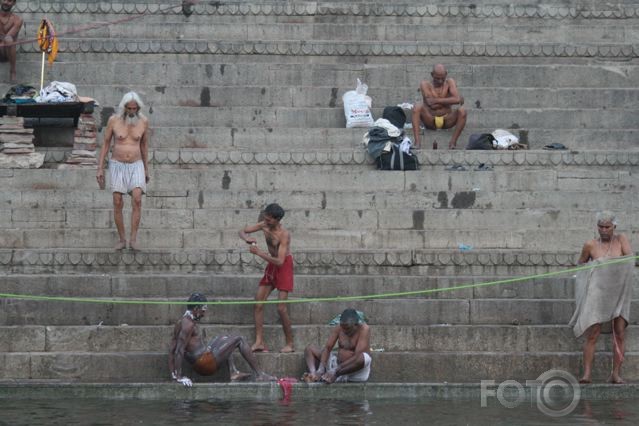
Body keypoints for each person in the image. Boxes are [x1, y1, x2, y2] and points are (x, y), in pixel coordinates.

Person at [570, 211, 634, 384]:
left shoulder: (621, 240)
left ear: (614, 226)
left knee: (620, 333)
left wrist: (612, 261)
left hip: (618, 292)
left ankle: (615, 374)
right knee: (593, 333)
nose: (604, 230)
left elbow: (630, 260)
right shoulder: (590, 245)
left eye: (607, 227)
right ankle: (587, 374)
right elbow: (581, 266)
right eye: (600, 227)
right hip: (597, 293)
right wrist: (593, 264)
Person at [168, 292, 275, 387]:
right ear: (196, 309)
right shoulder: (188, 325)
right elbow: (178, 351)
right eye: (203, 310)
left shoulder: (181, 322)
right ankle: (259, 374)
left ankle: (233, 372)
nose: (204, 314)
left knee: (223, 338)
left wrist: (173, 376)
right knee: (239, 339)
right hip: (205, 364)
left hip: (203, 359)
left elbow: (172, 350)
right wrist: (179, 377)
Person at [96, 92, 150, 251]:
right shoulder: (113, 120)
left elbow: (144, 146)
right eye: (129, 108)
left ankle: (133, 239)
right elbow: (105, 144)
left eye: (135, 108)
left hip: (136, 164)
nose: (132, 111)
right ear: (124, 107)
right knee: (117, 201)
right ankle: (122, 239)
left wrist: (146, 169)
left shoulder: (144, 121)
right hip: (117, 164)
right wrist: (100, 168)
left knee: (138, 199)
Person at [239, 203, 295, 353]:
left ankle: (289, 343)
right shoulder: (264, 224)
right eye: (266, 217)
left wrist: (258, 253)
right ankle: (259, 342)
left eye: (269, 219)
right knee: (258, 302)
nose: (266, 221)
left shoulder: (284, 234)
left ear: (277, 220)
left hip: (283, 266)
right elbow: (243, 231)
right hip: (271, 263)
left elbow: (280, 261)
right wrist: (247, 238)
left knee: (281, 308)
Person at [302, 308, 371, 384]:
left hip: (353, 372)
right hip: (336, 366)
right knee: (310, 349)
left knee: (364, 357)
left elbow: (357, 357)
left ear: (356, 324)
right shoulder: (340, 327)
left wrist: (336, 370)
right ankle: (313, 375)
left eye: (348, 328)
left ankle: (334, 375)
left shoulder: (364, 329)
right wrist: (320, 369)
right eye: (343, 328)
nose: (344, 331)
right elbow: (328, 348)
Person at [411, 63, 467, 149]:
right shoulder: (425, 84)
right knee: (417, 107)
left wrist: (436, 100)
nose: (440, 81)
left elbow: (457, 99)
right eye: (437, 78)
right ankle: (417, 143)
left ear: (446, 74)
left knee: (462, 111)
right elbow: (430, 104)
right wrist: (449, 101)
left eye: (442, 78)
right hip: (430, 119)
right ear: (432, 75)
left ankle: (453, 143)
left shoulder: (450, 82)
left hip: (447, 119)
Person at [0, 0, 23, 82]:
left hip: (7, 52)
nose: (6, 2)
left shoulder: (17, 20)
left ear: (14, 3)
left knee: (9, 40)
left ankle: (13, 71)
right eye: (4, 0)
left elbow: (8, 37)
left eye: (9, 1)